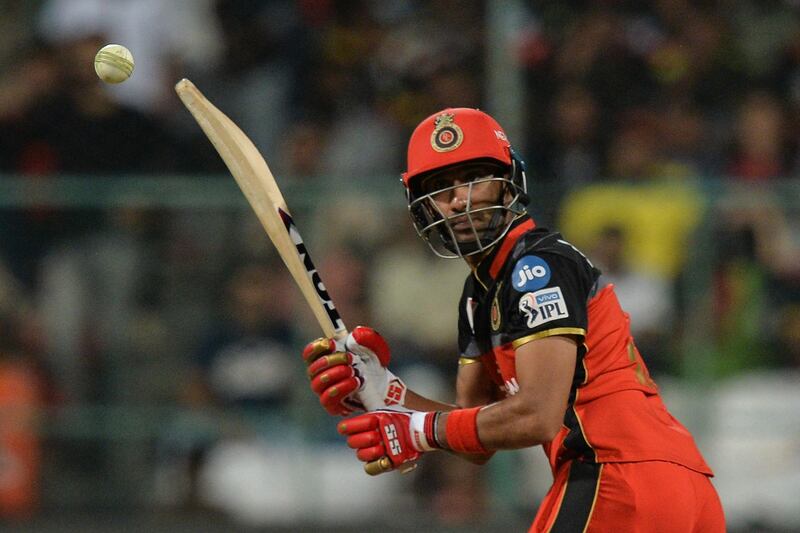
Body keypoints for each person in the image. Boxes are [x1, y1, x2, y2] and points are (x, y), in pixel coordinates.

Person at [302, 108, 725, 531]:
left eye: (472, 178)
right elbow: (474, 436)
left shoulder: (537, 266)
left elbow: (537, 414)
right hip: (673, 484)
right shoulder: (478, 297)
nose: (459, 199)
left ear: (509, 183)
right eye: (440, 187)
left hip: (618, 473)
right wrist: (388, 393)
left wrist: (414, 431)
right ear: (421, 206)